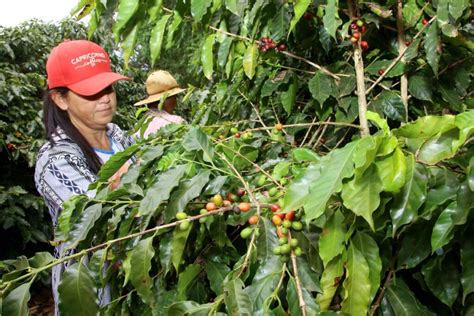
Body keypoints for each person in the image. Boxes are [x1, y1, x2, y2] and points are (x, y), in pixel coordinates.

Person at [34, 39, 134, 313]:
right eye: (91, 92)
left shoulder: (120, 136)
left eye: (108, 88)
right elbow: (99, 219)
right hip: (94, 293)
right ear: (60, 99)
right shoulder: (55, 161)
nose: (105, 98)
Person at [133, 70, 186, 138]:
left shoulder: (138, 126)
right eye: (174, 97)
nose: (175, 102)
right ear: (165, 100)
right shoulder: (176, 122)